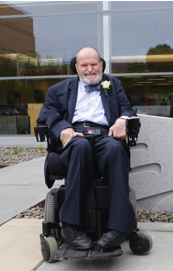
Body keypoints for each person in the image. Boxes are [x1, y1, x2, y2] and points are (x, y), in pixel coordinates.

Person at [37, 47, 136, 251]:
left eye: (94, 64)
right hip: (75, 136)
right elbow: (46, 114)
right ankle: (71, 226)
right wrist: (63, 127)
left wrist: (122, 119)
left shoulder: (113, 84)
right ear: (77, 67)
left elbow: (127, 108)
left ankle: (117, 228)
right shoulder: (58, 90)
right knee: (80, 146)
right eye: (84, 65)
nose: (89, 69)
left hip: (104, 135)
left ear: (101, 65)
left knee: (116, 149)